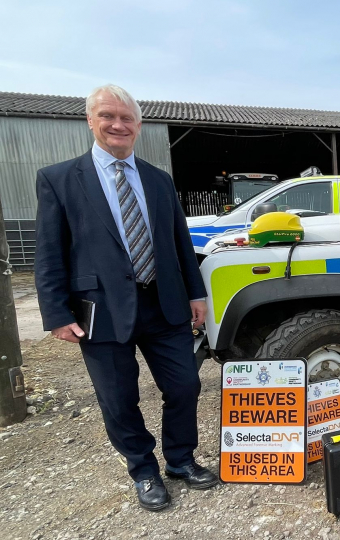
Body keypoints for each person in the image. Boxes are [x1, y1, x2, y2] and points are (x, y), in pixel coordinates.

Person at [34, 85, 217, 511]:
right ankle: (143, 470)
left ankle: (180, 460)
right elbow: (49, 252)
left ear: (138, 125)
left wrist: (196, 293)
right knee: (118, 398)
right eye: (107, 116)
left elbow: (178, 241)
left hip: (164, 303)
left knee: (185, 385)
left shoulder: (158, 179)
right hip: (102, 311)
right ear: (90, 121)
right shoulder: (59, 179)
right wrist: (57, 314)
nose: (118, 125)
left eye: (126, 118)